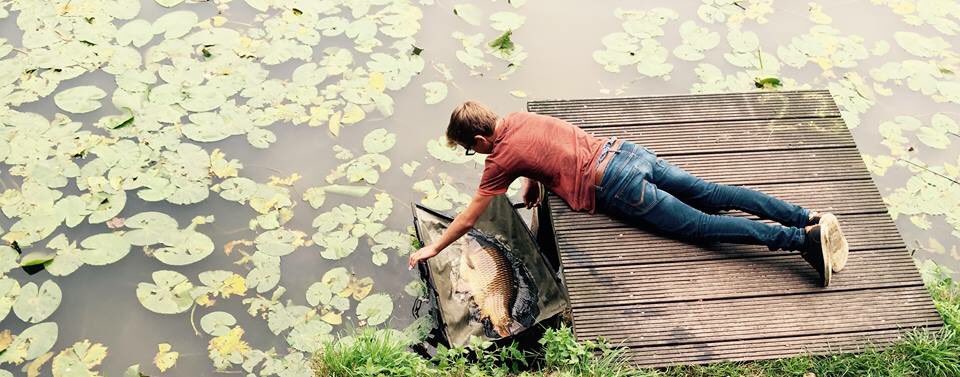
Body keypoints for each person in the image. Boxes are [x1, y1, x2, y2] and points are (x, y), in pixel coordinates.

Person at [408, 101, 849, 286]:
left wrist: (433, 249)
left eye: (470, 149)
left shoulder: (497, 160)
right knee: (714, 192)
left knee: (701, 226)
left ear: (482, 141)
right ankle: (805, 215)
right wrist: (532, 180)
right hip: (628, 152)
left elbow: (468, 218)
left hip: (616, 183)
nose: (474, 155)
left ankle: (802, 241)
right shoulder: (520, 117)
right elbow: (542, 150)